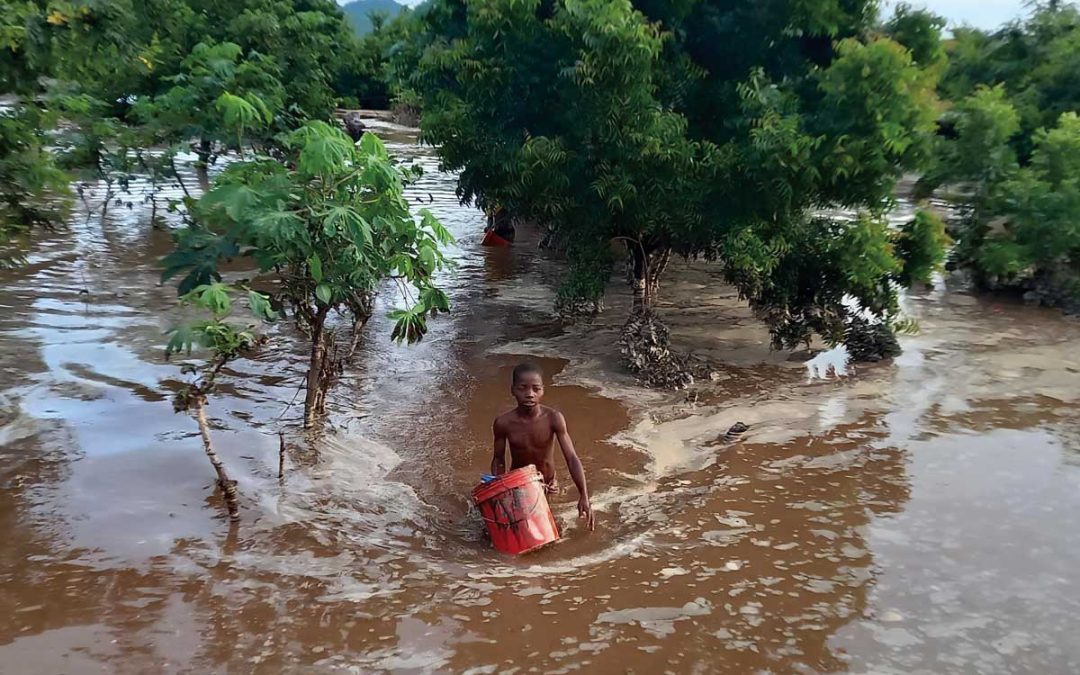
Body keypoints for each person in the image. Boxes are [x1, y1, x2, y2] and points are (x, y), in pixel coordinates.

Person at [491, 363, 594, 530]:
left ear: (542, 391)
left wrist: (584, 496)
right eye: (523, 388)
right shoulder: (503, 423)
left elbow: (572, 458)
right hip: (520, 485)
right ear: (513, 390)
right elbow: (498, 459)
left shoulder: (553, 418)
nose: (530, 394)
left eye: (536, 389)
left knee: (552, 529)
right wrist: (500, 492)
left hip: (548, 484)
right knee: (520, 529)